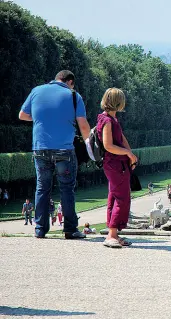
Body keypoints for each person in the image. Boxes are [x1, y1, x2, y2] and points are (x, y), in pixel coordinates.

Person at [18, 70, 90, 239]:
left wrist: (42, 119)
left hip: (40, 149)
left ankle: (40, 229)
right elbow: (84, 126)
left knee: (42, 188)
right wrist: (89, 145)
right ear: (70, 82)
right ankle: (70, 229)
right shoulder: (73, 96)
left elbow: (22, 115)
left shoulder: (36, 90)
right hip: (64, 150)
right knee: (66, 189)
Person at [96, 88, 137, 248]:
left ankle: (113, 233)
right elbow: (108, 145)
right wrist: (127, 153)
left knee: (114, 197)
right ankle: (111, 234)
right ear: (118, 102)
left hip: (117, 163)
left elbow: (121, 138)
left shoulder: (109, 118)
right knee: (122, 198)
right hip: (115, 164)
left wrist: (130, 155)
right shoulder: (107, 120)